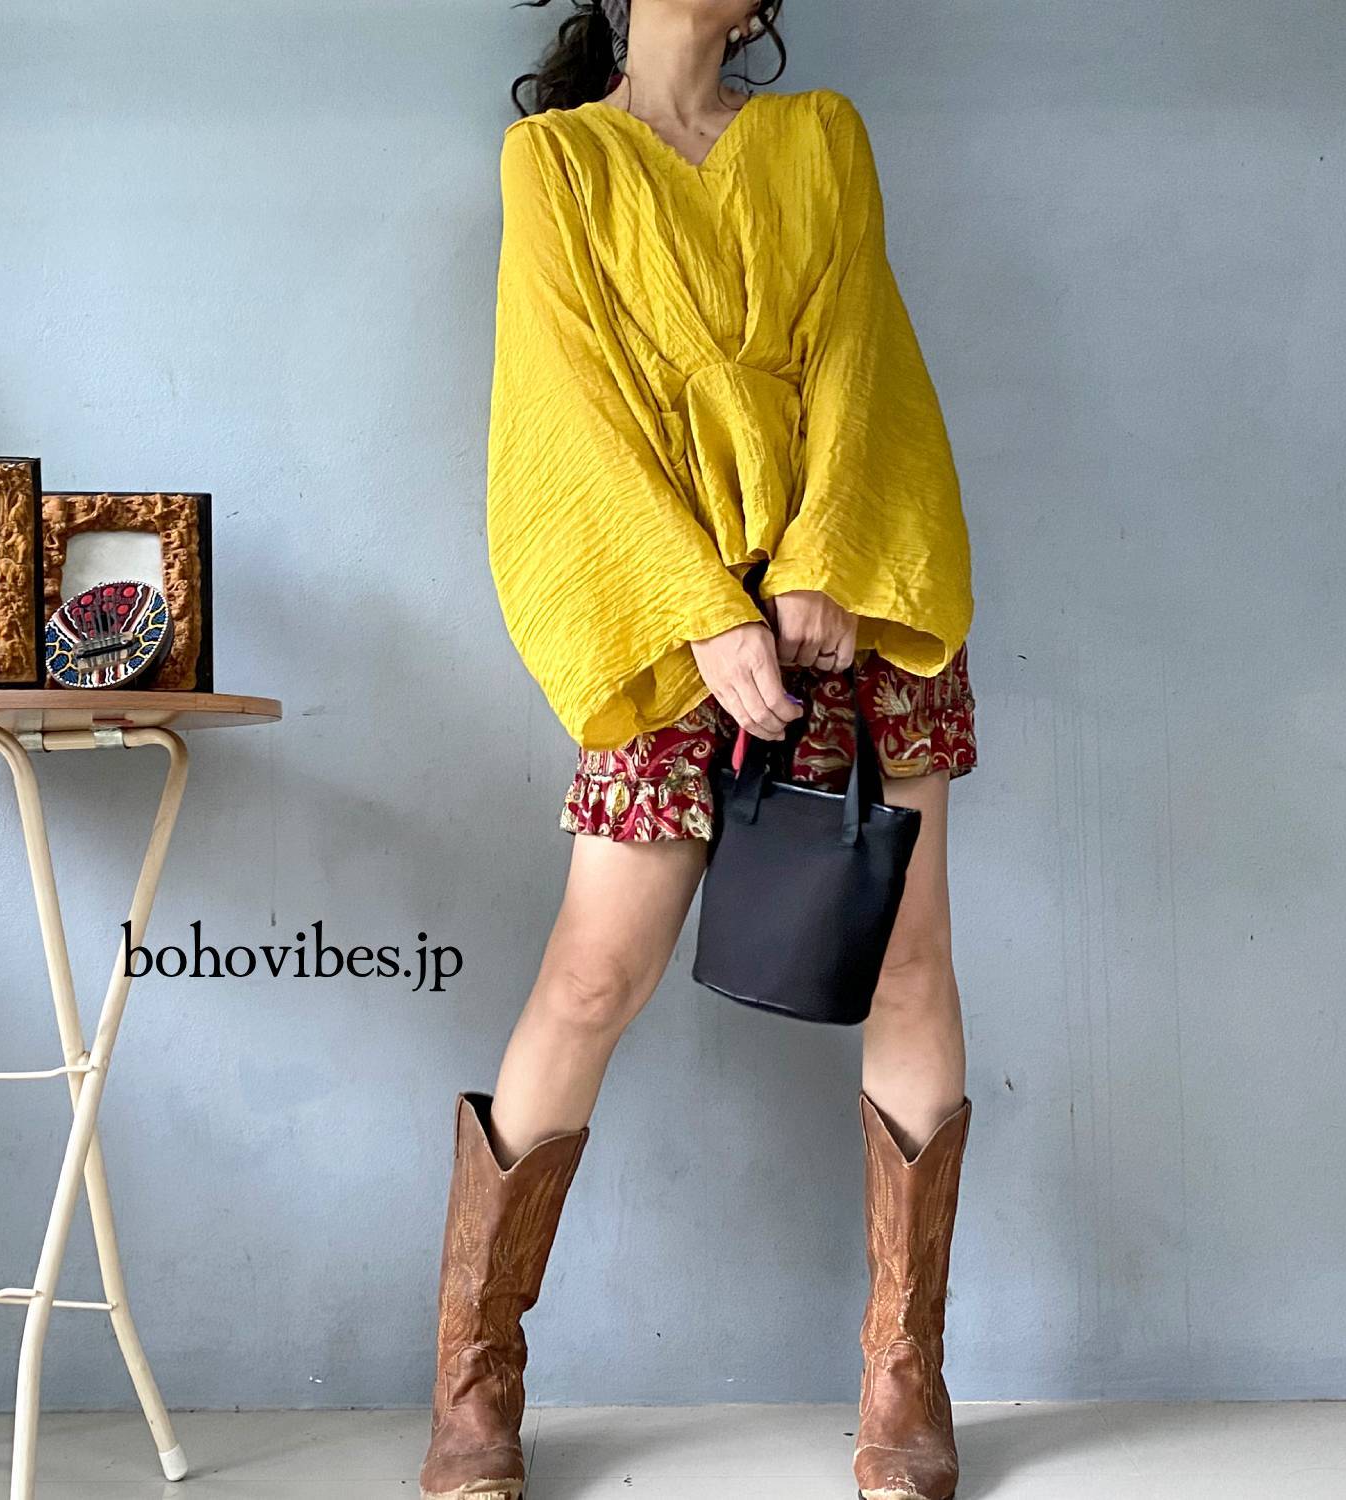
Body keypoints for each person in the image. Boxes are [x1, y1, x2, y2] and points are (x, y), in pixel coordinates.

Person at [419, 4, 977, 1498]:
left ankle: (904, 1371)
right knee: (592, 977)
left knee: (908, 964)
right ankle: (475, 1377)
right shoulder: (557, 162)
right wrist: (699, 611)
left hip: (842, 606)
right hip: (662, 619)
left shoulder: (820, 136)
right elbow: (566, 415)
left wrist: (828, 560)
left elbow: (861, 360)